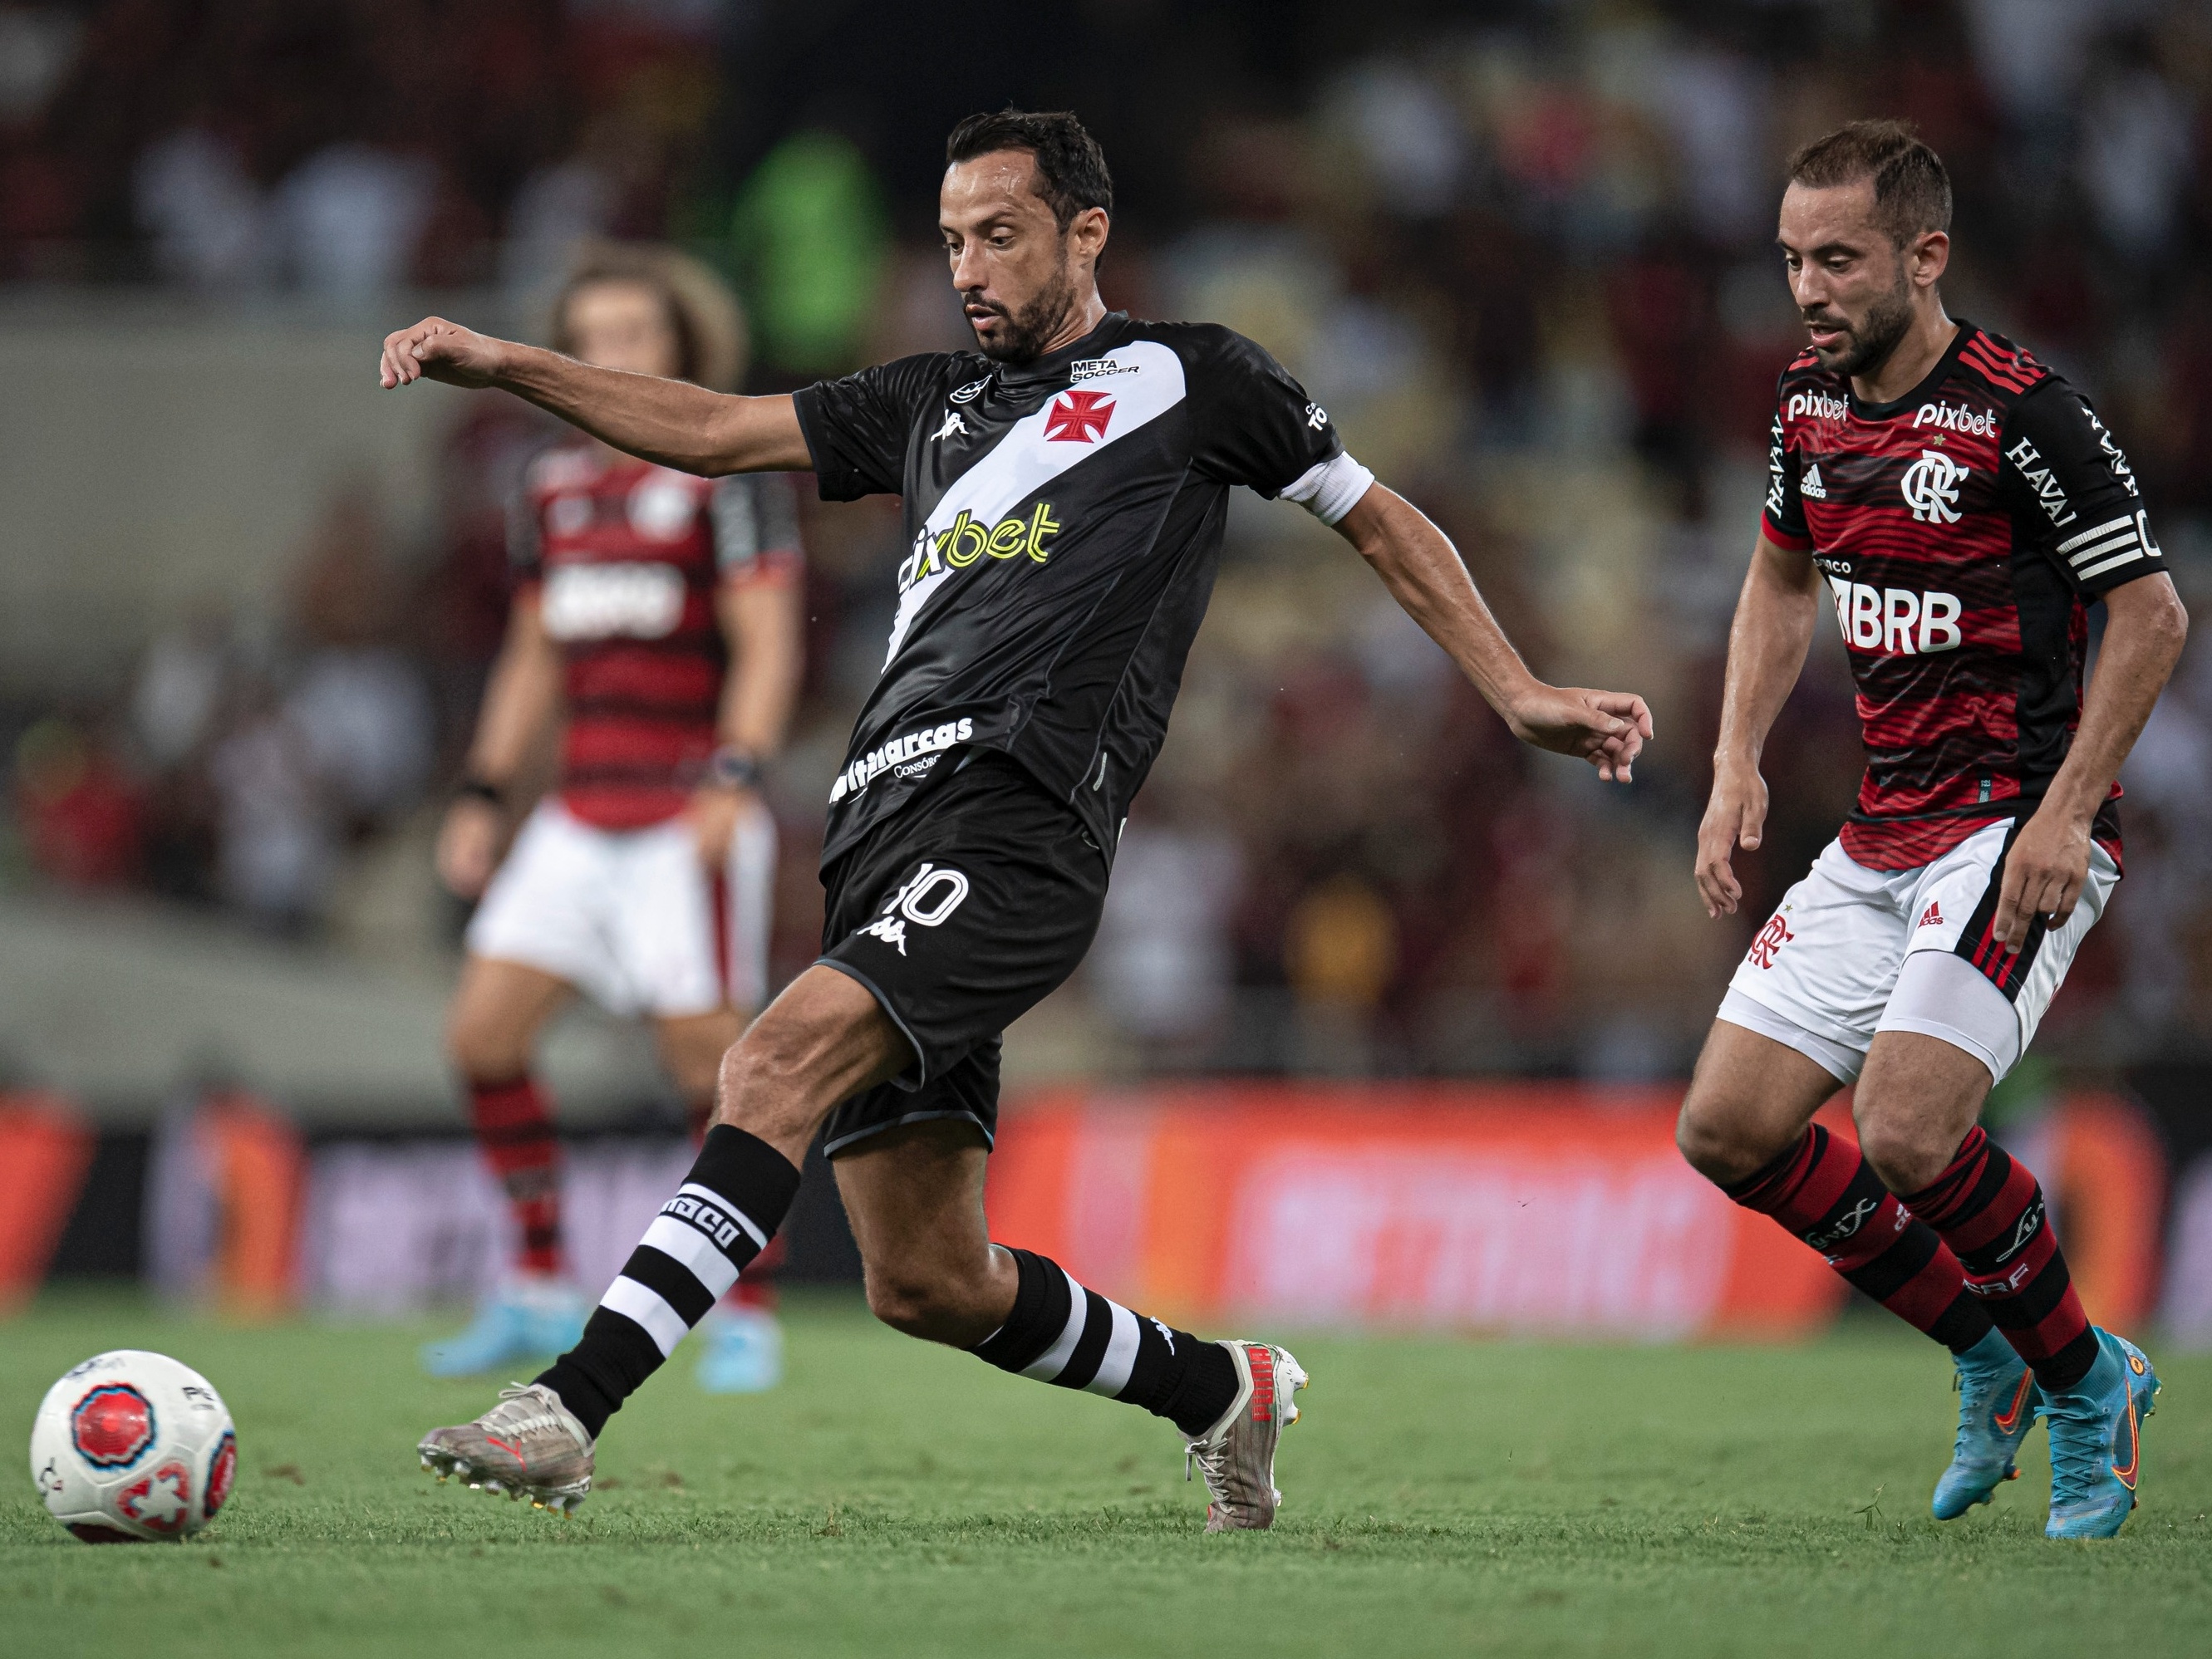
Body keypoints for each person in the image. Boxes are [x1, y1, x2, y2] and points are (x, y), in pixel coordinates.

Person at [383, 110, 1651, 1531]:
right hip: (874, 835)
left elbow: (1377, 518)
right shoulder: (924, 402)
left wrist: (1518, 688)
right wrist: (510, 366)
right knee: (924, 1279)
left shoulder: (1194, 376)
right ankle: (1220, 1390)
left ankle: (567, 1403)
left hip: (1019, 826)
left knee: (770, 1061)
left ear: (1084, 231)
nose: (968, 268)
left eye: (999, 235)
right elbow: (713, 428)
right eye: (948, 243)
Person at [1677, 121, 2185, 1540]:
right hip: (1878, 833)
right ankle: (1987, 1352)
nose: (1807, 289)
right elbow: (1780, 586)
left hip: (2010, 828)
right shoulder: (1804, 407)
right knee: (1723, 1129)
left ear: (1924, 255)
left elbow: (2150, 613)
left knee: (1904, 1128)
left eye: (1836, 259)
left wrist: (2066, 814)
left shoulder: (2028, 416)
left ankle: (2088, 1383)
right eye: (1789, 260)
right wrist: (1734, 764)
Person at [424, 244, 806, 1393]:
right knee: (481, 1038)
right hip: (579, 813)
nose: (612, 357)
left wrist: (734, 775)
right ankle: (537, 1280)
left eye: (635, 336)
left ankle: (750, 1309)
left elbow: (768, 640)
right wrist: (487, 792)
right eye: (590, 337)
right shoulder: (548, 486)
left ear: (682, 349)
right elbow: (533, 656)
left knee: (714, 1068)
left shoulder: (728, 480)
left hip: (684, 810)